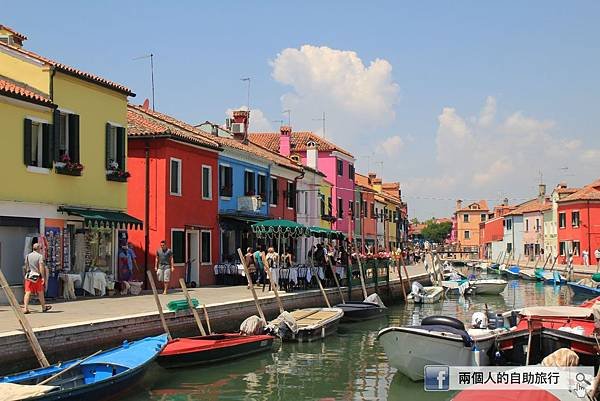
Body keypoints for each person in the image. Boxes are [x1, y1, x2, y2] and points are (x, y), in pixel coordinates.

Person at [22, 243, 51, 314]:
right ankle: (43, 307)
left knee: (27, 292)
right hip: (37, 277)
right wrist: (43, 277)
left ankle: (25, 308)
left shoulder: (28, 256)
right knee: (40, 292)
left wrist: (27, 274)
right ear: (38, 249)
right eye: (40, 248)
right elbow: (41, 267)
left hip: (29, 276)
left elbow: (26, 266)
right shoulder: (40, 256)